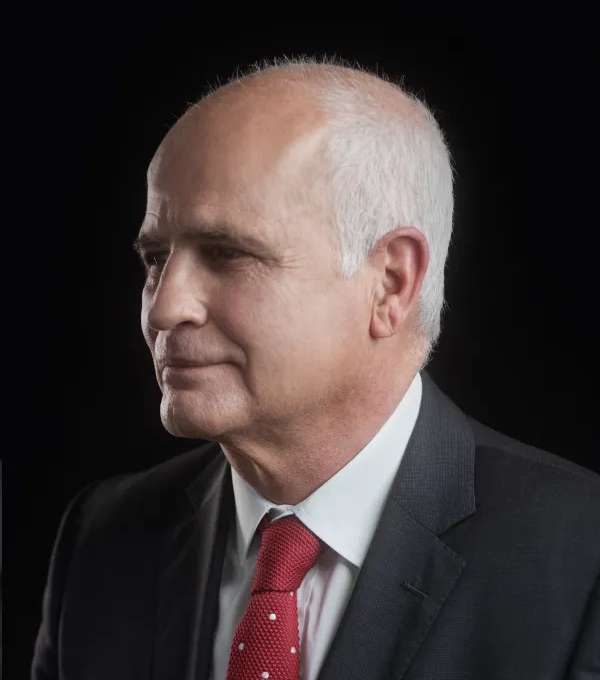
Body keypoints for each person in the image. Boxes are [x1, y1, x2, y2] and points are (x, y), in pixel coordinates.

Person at [32, 58, 599, 680]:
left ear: (390, 284)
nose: (164, 308)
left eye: (227, 254)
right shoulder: (104, 538)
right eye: (155, 258)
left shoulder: (579, 564)